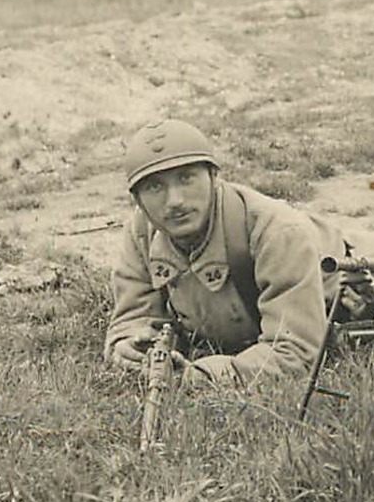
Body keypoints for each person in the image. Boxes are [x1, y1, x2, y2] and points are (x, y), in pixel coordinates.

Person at [104, 119, 348, 390]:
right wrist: (132, 346)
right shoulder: (142, 231)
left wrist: (202, 376)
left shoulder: (279, 233)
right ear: (137, 200)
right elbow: (133, 318)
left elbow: (296, 353)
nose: (175, 201)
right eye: (154, 187)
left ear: (213, 177)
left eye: (186, 179)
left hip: (364, 280)